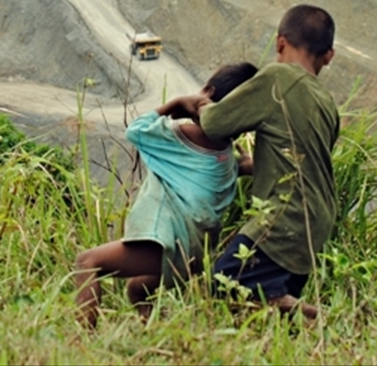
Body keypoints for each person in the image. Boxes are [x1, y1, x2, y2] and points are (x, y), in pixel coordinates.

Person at [172, 4, 339, 319]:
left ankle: (312, 316)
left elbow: (215, 123)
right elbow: (300, 159)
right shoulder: (326, 102)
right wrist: (254, 164)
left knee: (221, 286)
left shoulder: (277, 77)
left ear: (279, 43)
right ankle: (297, 317)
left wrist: (197, 104)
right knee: (259, 309)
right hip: (316, 221)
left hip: (284, 213)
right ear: (328, 56)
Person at [75, 62, 258, 328]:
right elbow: (212, 174)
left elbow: (136, 130)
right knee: (138, 290)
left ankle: (82, 345)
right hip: (194, 258)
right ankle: (148, 335)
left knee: (87, 262)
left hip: (167, 244)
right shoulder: (227, 158)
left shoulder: (183, 136)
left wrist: (174, 104)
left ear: (206, 91)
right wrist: (246, 166)